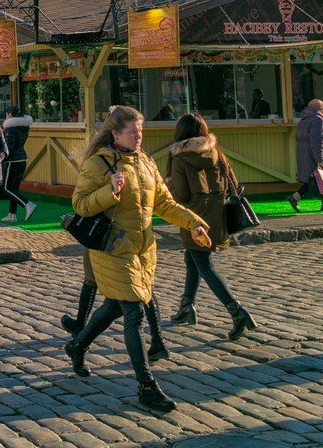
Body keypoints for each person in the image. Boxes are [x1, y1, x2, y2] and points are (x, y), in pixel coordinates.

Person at [65, 105, 211, 413]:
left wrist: (193, 222)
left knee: (114, 307)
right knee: (134, 313)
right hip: (113, 249)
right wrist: (110, 190)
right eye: (133, 131)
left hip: (143, 250)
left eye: (141, 130)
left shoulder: (145, 162)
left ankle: (77, 345)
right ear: (116, 134)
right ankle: (147, 386)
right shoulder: (98, 163)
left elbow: (165, 203)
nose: (139, 136)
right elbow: (80, 205)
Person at [165, 113, 258, 340]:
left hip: (193, 218)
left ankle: (237, 311)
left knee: (204, 264)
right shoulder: (217, 154)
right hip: (217, 217)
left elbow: (181, 194)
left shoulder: (179, 157)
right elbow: (233, 185)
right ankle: (186, 307)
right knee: (193, 259)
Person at [1, 106, 37, 223]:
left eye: (7, 114)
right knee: (14, 188)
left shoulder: (10, 129)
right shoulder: (24, 127)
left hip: (12, 162)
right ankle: (12, 215)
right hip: (22, 161)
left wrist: (0, 156)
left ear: (10, 115)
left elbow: (8, 148)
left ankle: (27, 204)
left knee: (7, 188)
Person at [289, 98, 323, 212]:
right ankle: (294, 197)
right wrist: (320, 159)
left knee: (311, 179)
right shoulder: (318, 120)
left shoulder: (303, 120)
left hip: (302, 152)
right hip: (313, 153)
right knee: (317, 178)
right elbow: (316, 141)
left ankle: (295, 197)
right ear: (319, 108)